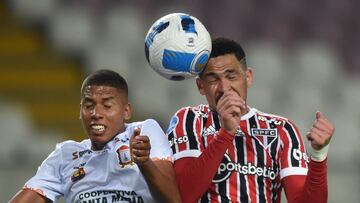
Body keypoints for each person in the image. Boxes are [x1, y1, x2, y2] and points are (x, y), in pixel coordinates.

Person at [166, 37, 335, 203]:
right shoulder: (189, 119)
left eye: (231, 76)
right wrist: (226, 134)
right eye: (213, 79)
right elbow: (183, 197)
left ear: (248, 77)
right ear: (200, 86)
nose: (224, 88)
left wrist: (319, 156)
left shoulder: (282, 129)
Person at [10, 69, 181, 203]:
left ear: (126, 111)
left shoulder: (144, 131)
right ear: (80, 110)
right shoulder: (65, 154)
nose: (95, 113)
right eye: (89, 106)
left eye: (107, 106)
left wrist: (145, 163)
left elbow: (173, 200)